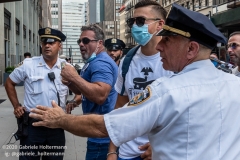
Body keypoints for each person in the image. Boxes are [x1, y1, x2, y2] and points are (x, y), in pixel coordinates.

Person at [29, 3, 240, 160]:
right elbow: (120, 107)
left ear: (192, 49)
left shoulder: (166, 91)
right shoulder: (234, 85)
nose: (159, 47)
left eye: (167, 40)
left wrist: (60, 119)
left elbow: (106, 126)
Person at [108, 1, 171, 160]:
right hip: (128, 153)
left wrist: (162, 143)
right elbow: (120, 109)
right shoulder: (126, 61)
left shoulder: (174, 61)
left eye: (141, 21)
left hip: (162, 152)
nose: (135, 25)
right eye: (132, 21)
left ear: (160, 24)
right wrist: (112, 150)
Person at [5, 27, 68, 160]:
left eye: (51, 43)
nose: (47, 45)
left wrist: (75, 101)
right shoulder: (29, 65)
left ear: (60, 46)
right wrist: (16, 106)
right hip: (32, 126)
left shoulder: (67, 68)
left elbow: (79, 91)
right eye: (44, 42)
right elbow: (9, 82)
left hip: (56, 126)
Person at [60, 24, 118, 160]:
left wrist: (74, 76)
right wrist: (71, 82)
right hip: (96, 133)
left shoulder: (101, 63)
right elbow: (84, 90)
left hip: (102, 139)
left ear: (100, 43)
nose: (81, 44)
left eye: (85, 41)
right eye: (79, 41)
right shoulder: (92, 62)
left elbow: (100, 95)